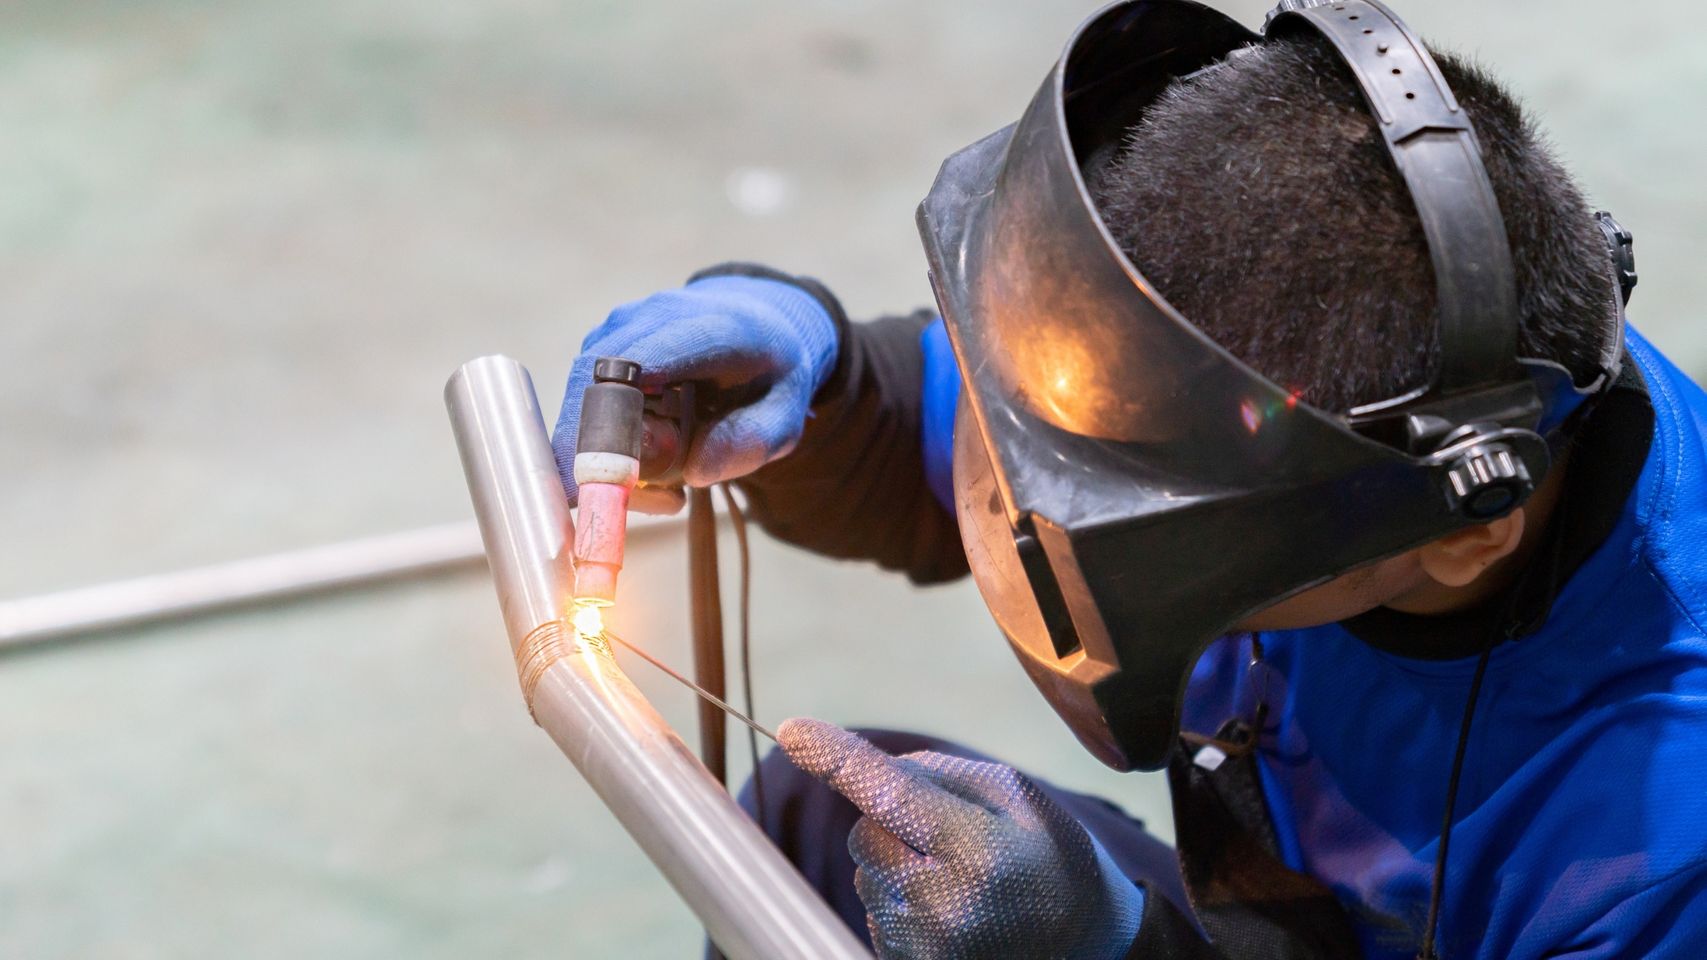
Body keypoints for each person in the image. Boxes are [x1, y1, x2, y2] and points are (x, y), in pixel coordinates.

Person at [553, 1, 1707, 957]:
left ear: (1468, 532)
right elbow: (979, 467)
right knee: (816, 834)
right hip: (1279, 916)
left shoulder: (1660, 850)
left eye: (1126, 520)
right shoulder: (1271, 380)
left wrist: (1119, 949)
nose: (1041, 507)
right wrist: (822, 378)